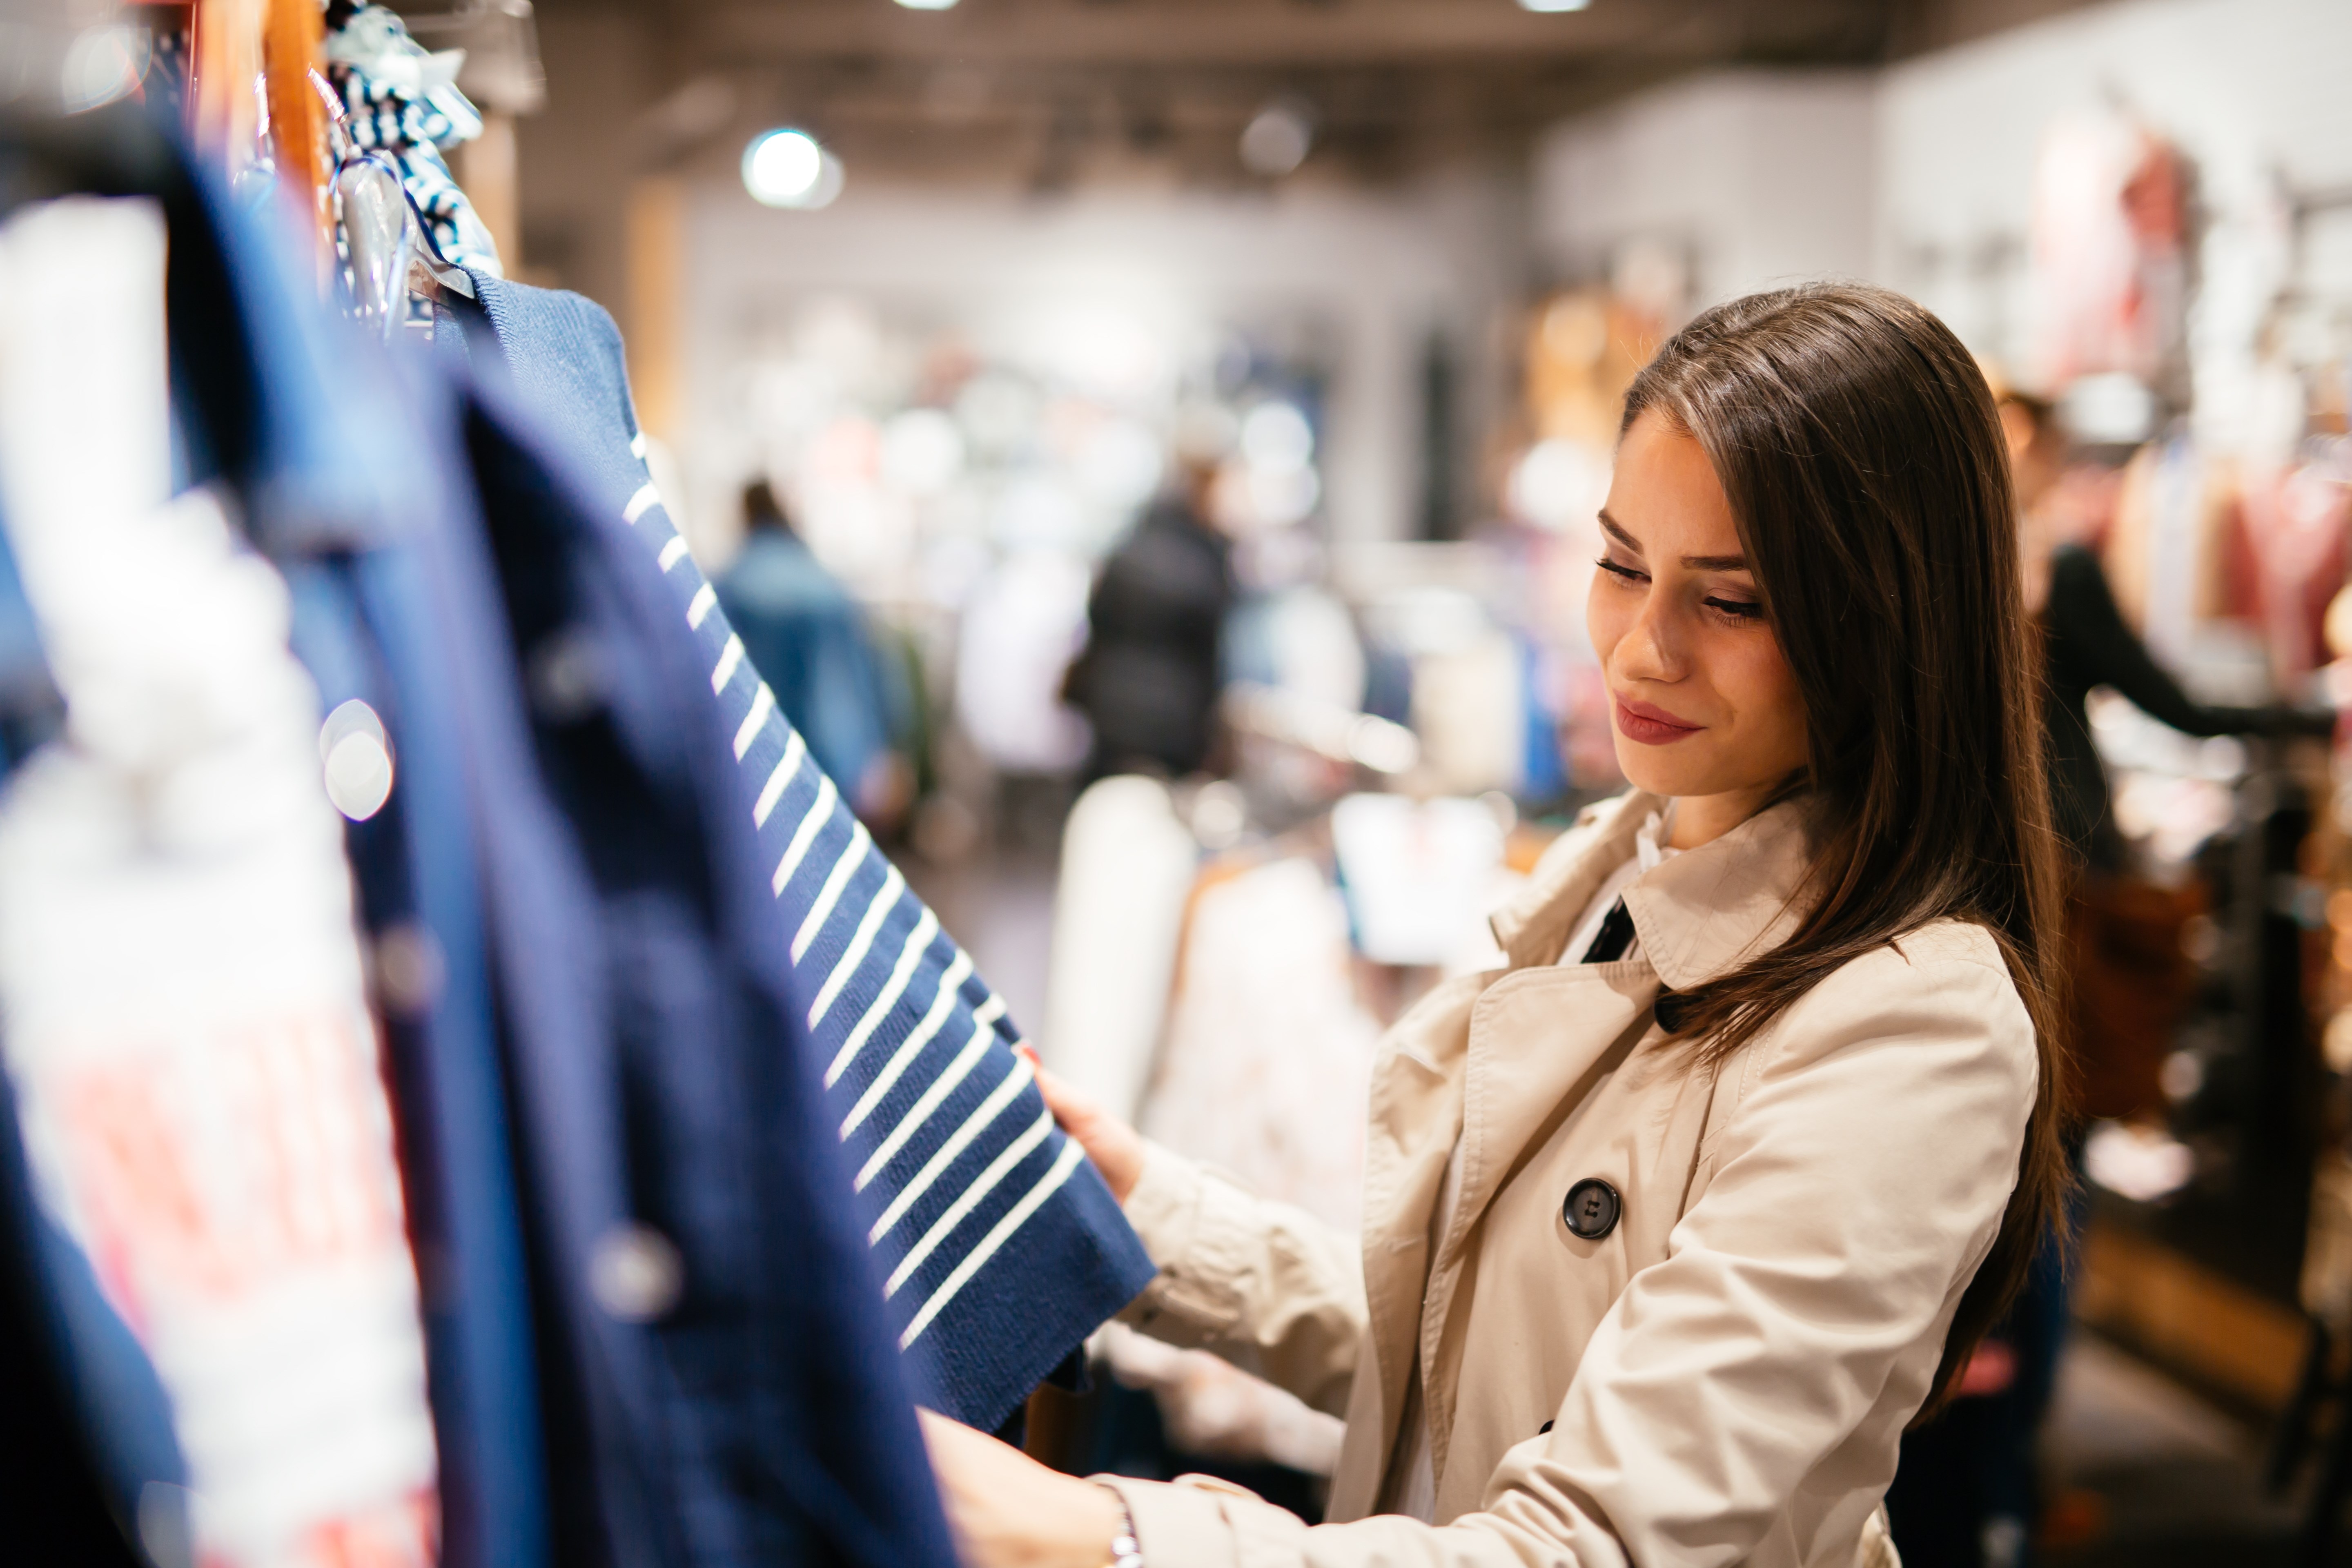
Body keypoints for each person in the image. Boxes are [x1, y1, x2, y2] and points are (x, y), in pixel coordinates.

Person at [920, 283, 2071, 1568]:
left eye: (1730, 601)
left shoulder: (1910, 1021)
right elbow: (1481, 1350)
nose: (1640, 650)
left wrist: (1097, 1530)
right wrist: (1151, 1211)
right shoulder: (1612, 875)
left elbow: (1597, 1542)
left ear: (1888, 617)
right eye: (1623, 564)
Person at [713, 481, 908, 824]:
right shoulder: (825, 584)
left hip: (758, 759)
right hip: (832, 753)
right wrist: (882, 749)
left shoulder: (731, 585)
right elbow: (864, 675)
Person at [1063, 450, 1235, 784]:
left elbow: (1097, 619)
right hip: (1174, 723)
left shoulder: (1134, 543)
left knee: (1103, 807)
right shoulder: (1206, 560)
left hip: (1111, 709)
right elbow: (1211, 655)